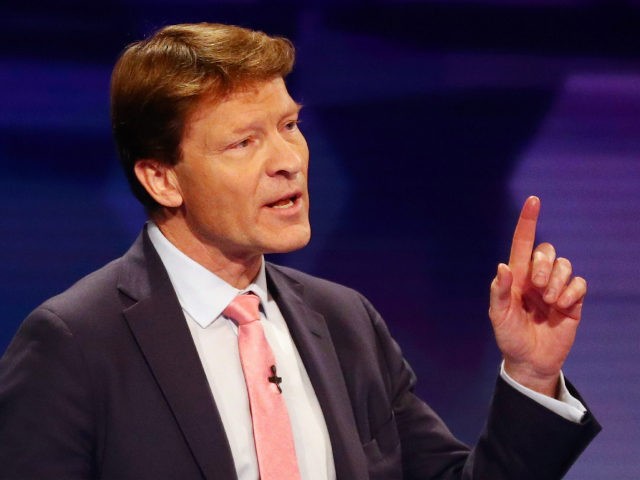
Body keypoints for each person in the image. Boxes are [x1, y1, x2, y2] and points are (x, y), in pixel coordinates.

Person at [0, 23, 600, 480]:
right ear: (163, 179)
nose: (288, 160)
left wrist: (532, 373)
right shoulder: (74, 343)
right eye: (244, 142)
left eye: (289, 125)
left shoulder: (344, 323)